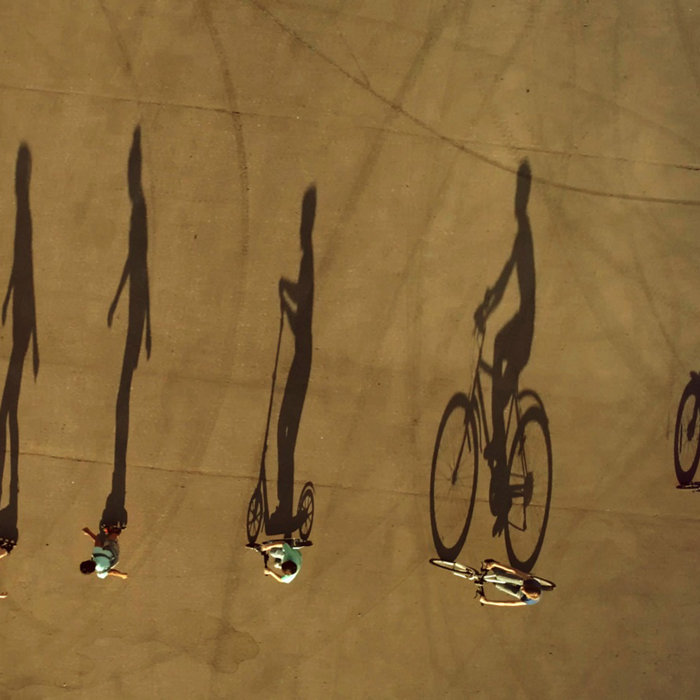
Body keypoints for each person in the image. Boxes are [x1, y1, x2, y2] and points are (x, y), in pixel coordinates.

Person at [474, 160, 536, 536]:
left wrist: (488, 305)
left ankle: (500, 445)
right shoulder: (522, 231)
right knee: (498, 366)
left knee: (499, 374)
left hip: (524, 326)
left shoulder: (523, 232)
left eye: (520, 191)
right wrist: (489, 304)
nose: (517, 198)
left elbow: (506, 275)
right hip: (522, 323)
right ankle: (498, 445)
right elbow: (503, 277)